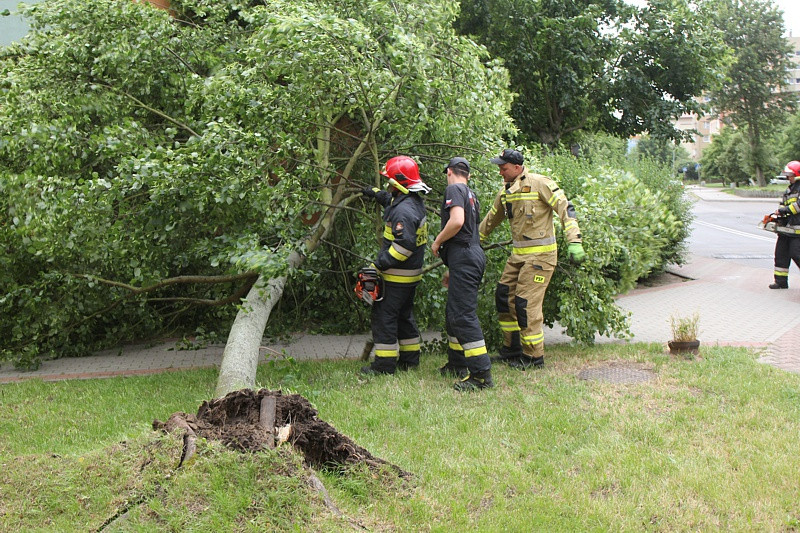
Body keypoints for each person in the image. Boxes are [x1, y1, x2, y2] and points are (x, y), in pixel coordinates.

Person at [479, 149, 586, 369]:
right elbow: (490, 220)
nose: (500, 171)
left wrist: (574, 240)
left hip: (541, 257)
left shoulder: (540, 183)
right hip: (519, 256)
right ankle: (512, 349)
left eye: (504, 167)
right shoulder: (507, 191)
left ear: (517, 168)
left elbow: (566, 208)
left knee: (525, 304)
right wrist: (471, 243)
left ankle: (533, 357)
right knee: (503, 296)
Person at [360, 155, 431, 375]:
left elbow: (403, 246)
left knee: (385, 319)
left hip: (396, 277)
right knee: (404, 317)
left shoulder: (403, 212)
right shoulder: (413, 202)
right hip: (410, 277)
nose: (389, 186)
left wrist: (378, 264)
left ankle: (384, 366)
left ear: (399, 183)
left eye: (390, 182)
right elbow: (392, 201)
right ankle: (410, 360)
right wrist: (375, 194)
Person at [431, 157, 493, 391]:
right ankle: (457, 364)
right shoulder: (470, 192)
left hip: (465, 258)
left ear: (449, 171)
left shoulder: (454, 188)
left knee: (463, 315)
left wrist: (437, 242)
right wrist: (452, 268)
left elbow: (457, 222)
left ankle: (481, 374)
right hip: (467, 257)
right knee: (453, 313)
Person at [769, 160, 800, 289]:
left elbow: (798, 206)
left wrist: (784, 210)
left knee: (796, 253)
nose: (788, 177)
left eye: (790, 175)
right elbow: (783, 205)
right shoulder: (789, 189)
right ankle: (780, 281)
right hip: (787, 229)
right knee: (781, 253)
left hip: (797, 231)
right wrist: (778, 216)